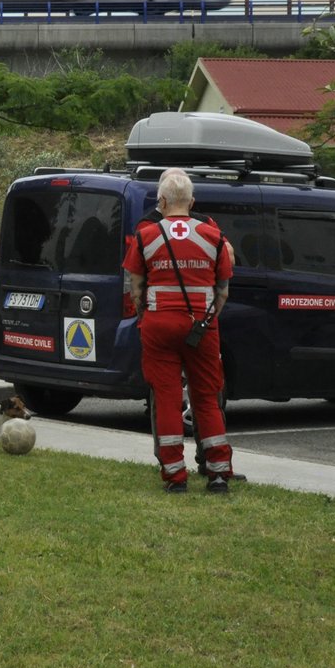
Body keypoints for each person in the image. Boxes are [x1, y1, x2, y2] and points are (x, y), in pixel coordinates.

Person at [122, 168, 245, 494]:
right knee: (206, 398)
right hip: (201, 326)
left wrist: (144, 316)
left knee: (166, 399)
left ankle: (175, 477)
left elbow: (135, 287)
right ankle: (219, 473)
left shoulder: (146, 235)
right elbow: (223, 289)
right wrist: (208, 318)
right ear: (191, 201)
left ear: (162, 200)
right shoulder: (213, 236)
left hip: (159, 325)